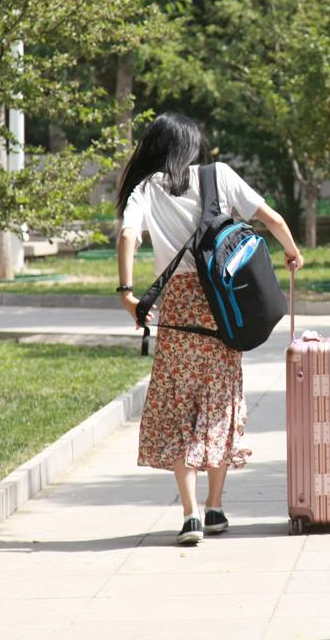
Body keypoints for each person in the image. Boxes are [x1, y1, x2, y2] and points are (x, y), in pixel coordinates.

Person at [115, 112, 304, 545]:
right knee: (219, 404)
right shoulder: (218, 176)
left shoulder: (146, 188)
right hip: (223, 305)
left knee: (180, 406)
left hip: (179, 307)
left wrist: (127, 294)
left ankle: (191, 514)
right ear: (192, 144)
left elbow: (128, 236)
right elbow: (272, 219)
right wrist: (292, 252)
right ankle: (216, 507)